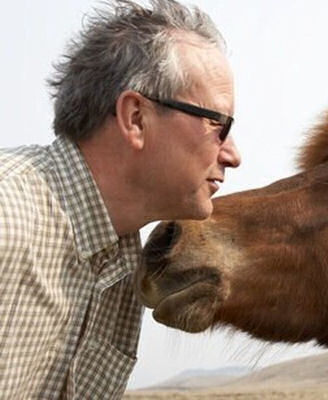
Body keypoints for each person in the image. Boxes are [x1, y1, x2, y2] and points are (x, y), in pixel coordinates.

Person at [0, 0, 241, 398]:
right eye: (218, 123)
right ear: (135, 118)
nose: (233, 154)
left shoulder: (125, 258)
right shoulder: (8, 215)